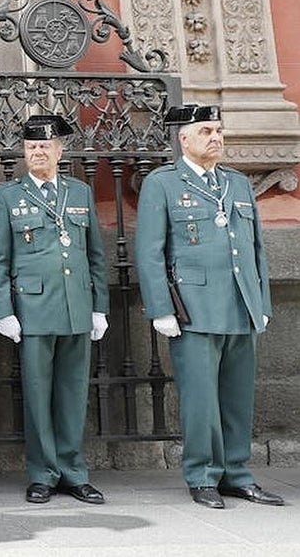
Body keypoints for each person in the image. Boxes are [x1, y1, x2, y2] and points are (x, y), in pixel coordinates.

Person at [135, 104, 283, 509]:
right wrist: (160, 308)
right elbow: (149, 251)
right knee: (200, 401)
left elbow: (256, 249)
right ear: (184, 138)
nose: (216, 138)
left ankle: (237, 474)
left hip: (239, 304)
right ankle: (202, 475)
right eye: (206, 131)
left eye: (218, 131)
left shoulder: (235, 183)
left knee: (237, 398)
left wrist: (261, 300)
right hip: (194, 309)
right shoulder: (162, 183)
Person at [0, 114, 108, 505]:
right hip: (34, 310)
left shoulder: (79, 192)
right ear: (23, 152)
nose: (37, 152)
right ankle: (42, 473)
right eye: (30, 147)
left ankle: (73, 472)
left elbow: (95, 256)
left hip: (76, 306)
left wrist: (99, 308)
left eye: (44, 146)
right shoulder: (8, 196)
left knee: (73, 395)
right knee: (37, 397)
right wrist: (3, 310)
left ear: (59, 150)